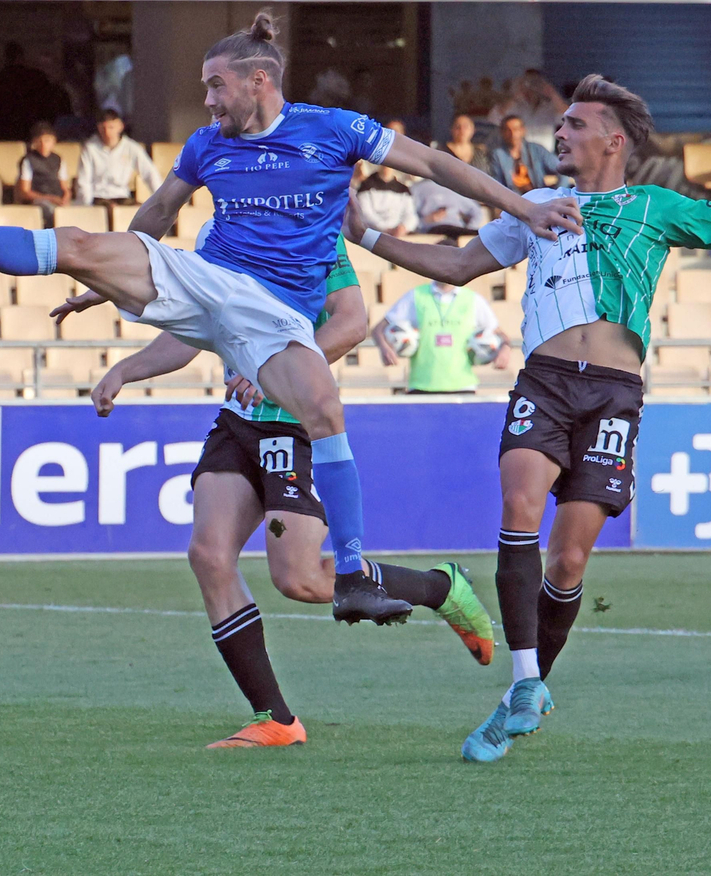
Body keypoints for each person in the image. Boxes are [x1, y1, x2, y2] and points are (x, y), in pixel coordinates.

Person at [0, 10, 580, 626]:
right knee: (80, 243)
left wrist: (522, 206)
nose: (206, 99)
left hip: (274, 315)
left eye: (216, 86)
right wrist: (101, 278)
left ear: (258, 82)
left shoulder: (332, 131)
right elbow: (154, 220)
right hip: (208, 277)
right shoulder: (208, 146)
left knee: (323, 411)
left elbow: (431, 164)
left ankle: (358, 571)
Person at [347, 74, 711, 762]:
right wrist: (367, 236)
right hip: (545, 380)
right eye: (559, 123)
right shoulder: (533, 204)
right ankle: (526, 679)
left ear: (612, 139)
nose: (558, 133)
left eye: (572, 124)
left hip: (616, 395)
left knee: (567, 560)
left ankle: (521, 701)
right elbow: (457, 264)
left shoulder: (654, 206)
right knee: (520, 503)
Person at [66, 235, 494, 747]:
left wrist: (274, 376)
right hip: (237, 424)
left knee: (300, 579)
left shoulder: (315, 235)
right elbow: (195, 329)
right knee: (208, 554)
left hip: (293, 422)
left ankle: (439, 587)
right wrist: (124, 370)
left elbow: (352, 323)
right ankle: (276, 718)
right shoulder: (222, 235)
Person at [373, 281, 510, 392]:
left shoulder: (473, 299)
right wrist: (384, 347)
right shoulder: (416, 296)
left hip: (463, 387)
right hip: (421, 386)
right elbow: (377, 329)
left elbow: (501, 335)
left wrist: (505, 348)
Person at [76, 109, 162, 208]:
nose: (107, 132)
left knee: (143, 212)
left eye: (111, 127)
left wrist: (160, 200)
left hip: (122, 196)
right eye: (103, 128)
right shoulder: (90, 148)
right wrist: (86, 205)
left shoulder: (132, 147)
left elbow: (149, 173)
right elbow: (84, 180)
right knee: (112, 209)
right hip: (98, 197)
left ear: (120, 127)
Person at [0, 42, 60, 142]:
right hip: (32, 129)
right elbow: (48, 105)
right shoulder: (36, 77)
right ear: (21, 56)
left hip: (6, 131)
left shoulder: (0, 79)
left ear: (6, 58)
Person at [488, 70, 568, 152]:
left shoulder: (550, 107)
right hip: (518, 155)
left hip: (544, 156)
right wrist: (515, 96)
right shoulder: (514, 106)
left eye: (535, 83)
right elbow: (494, 119)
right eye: (527, 82)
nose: (531, 87)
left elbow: (568, 116)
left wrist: (551, 92)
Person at [489, 114, 563, 192]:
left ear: (523, 130)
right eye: (508, 130)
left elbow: (562, 169)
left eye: (516, 129)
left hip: (538, 197)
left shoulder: (536, 149)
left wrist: (557, 193)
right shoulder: (497, 154)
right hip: (512, 199)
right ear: (502, 133)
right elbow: (497, 183)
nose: (513, 134)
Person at [15, 122, 71, 226]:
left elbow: (65, 187)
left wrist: (66, 197)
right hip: (39, 200)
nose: (43, 144)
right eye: (39, 141)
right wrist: (50, 198)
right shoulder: (28, 160)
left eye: (47, 140)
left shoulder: (58, 159)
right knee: (50, 210)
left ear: (53, 142)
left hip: (57, 198)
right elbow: (25, 191)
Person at [352, 165, 418, 237]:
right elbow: (365, 213)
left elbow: (410, 214)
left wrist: (404, 227)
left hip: (399, 233)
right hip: (373, 233)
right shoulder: (366, 186)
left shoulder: (403, 189)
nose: (387, 168)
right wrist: (385, 229)